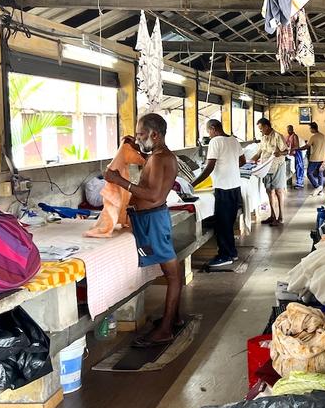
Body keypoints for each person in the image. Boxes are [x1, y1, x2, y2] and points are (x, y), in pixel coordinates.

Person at [104, 113, 181, 347]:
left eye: (140, 135)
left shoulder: (160, 158)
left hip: (153, 221)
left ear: (154, 135)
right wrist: (133, 147)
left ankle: (165, 329)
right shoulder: (158, 156)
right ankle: (172, 318)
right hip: (150, 219)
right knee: (173, 273)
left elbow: (155, 196)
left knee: (173, 274)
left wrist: (119, 181)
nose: (138, 139)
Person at [191, 119, 245, 270]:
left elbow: (209, 167)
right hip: (235, 187)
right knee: (229, 222)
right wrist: (230, 166)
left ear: (213, 129)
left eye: (209, 132)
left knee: (222, 224)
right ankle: (232, 252)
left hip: (224, 188)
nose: (209, 134)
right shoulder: (233, 140)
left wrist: (192, 184)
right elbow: (242, 161)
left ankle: (225, 255)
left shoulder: (215, 142)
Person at [251, 117, 288, 226]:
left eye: (261, 128)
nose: (260, 131)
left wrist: (280, 153)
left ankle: (280, 217)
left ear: (267, 126)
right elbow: (259, 153)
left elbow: (286, 151)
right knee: (269, 191)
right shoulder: (263, 138)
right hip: (265, 167)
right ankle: (272, 216)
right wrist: (250, 161)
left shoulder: (277, 136)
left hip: (277, 166)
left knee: (278, 191)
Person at [297, 122, 325, 194]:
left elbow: (307, 146)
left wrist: (298, 149)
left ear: (313, 128)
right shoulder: (323, 136)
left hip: (314, 158)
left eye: (310, 128)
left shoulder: (313, 137)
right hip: (322, 158)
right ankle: (320, 190)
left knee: (309, 173)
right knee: (320, 174)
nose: (310, 130)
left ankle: (317, 187)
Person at [285, 125, 304, 189]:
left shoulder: (295, 136)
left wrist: (290, 150)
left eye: (290, 129)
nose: (288, 131)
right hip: (291, 153)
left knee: (299, 167)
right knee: (295, 168)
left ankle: (300, 183)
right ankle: (297, 182)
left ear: (292, 129)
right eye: (288, 130)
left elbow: (297, 146)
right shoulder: (288, 136)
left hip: (297, 153)